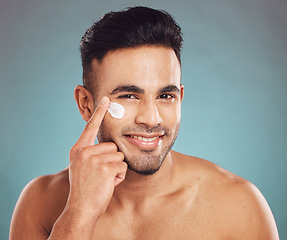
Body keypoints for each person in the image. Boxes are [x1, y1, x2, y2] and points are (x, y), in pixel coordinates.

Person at [9, 6, 279, 240]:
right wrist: (79, 214)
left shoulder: (239, 204)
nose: (152, 119)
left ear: (180, 98)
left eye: (165, 96)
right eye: (128, 95)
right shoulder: (41, 202)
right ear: (86, 104)